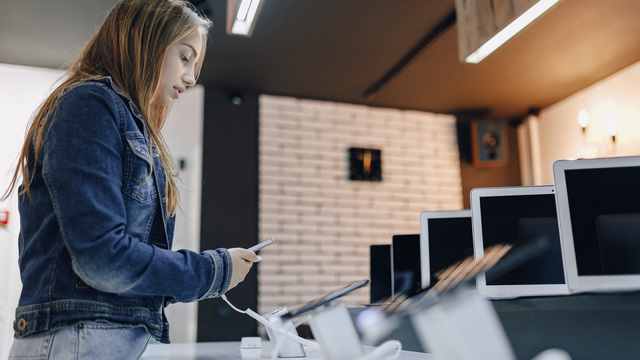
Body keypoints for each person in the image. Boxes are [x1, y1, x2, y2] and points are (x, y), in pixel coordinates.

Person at [2, 0, 258, 358]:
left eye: (195, 64)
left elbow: (121, 269)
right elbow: (103, 258)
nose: (192, 76)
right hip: (79, 339)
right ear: (147, 41)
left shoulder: (123, 119)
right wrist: (212, 271)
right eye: (185, 57)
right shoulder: (90, 104)